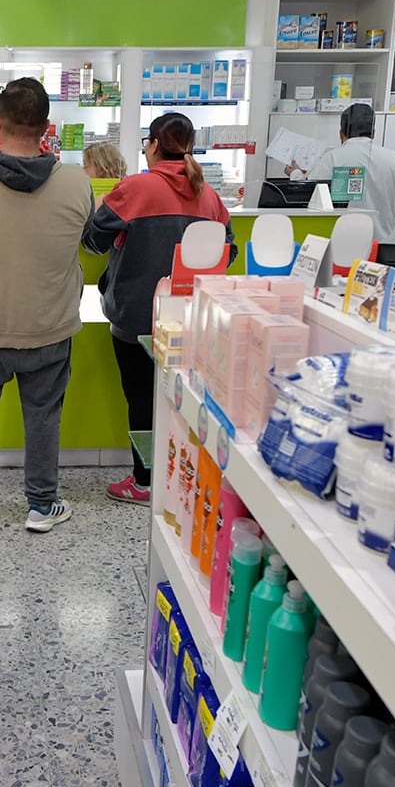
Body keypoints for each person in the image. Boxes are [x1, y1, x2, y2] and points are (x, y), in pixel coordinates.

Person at [0, 76, 93, 532]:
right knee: (44, 415)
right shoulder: (75, 182)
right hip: (49, 325)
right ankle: (42, 506)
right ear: (47, 126)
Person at [82, 113, 232, 505]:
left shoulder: (135, 188)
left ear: (152, 145)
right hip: (190, 320)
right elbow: (227, 250)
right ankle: (181, 477)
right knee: (182, 401)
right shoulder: (209, 195)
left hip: (136, 318)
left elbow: (93, 242)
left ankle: (146, 481)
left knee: (142, 400)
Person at [302, 103, 395, 242]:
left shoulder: (333, 158)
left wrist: (296, 175)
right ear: (373, 133)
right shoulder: (392, 159)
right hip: (381, 249)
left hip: (341, 246)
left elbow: (310, 198)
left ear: (341, 133)